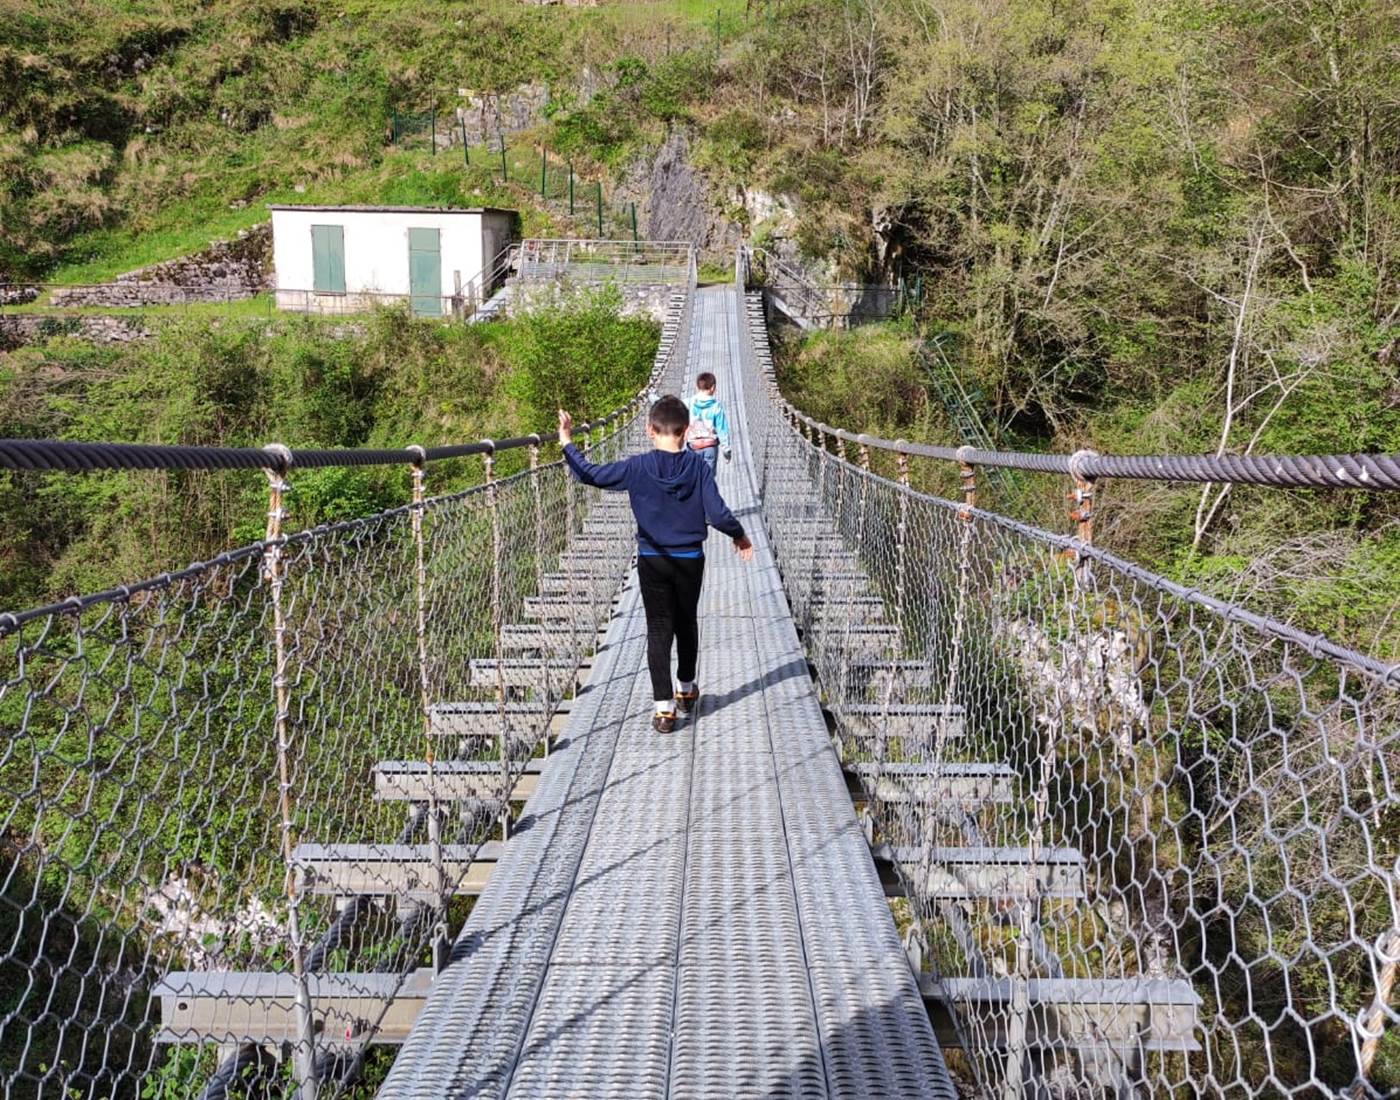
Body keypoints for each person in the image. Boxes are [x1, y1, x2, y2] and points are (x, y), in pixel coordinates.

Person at [558, 396, 753, 733]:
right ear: (687, 430)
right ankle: (687, 690)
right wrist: (739, 535)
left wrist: (567, 442)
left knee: (659, 630)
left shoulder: (636, 467)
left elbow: (589, 474)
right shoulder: (699, 467)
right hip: (690, 560)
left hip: (653, 559)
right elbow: (718, 513)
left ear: (649, 430)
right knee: (686, 623)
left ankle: (664, 710)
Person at [684, 371, 731, 475]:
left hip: (693, 447)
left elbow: (673, 404)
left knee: (693, 479)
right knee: (707, 481)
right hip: (710, 447)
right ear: (713, 388)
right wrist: (726, 450)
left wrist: (658, 401)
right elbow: (722, 429)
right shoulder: (716, 406)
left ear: (697, 387)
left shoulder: (690, 402)